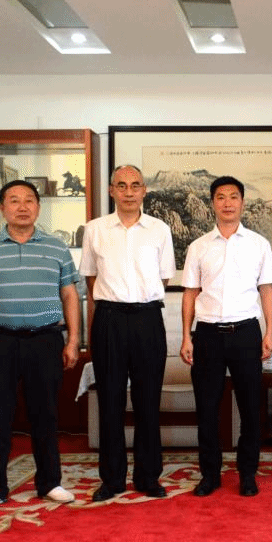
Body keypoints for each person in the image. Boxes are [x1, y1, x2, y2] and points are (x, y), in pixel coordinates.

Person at [0, 179, 81, 512]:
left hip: (45, 339)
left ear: (38, 208)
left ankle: (50, 482)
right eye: (14, 200)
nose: (23, 206)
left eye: (29, 200)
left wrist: (73, 339)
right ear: (2, 208)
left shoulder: (56, 247)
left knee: (46, 414)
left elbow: (70, 295)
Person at [79, 165, 175, 501]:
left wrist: (138, 301)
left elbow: (164, 277)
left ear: (144, 190)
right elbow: (91, 277)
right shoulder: (95, 229)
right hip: (110, 320)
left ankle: (148, 477)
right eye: (121, 185)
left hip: (148, 319)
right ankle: (112, 479)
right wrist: (115, 303)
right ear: (112, 191)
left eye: (135, 185)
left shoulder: (159, 229)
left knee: (148, 401)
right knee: (110, 401)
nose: (129, 192)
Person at [180, 176, 272, 497]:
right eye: (220, 197)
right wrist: (186, 337)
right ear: (212, 203)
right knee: (207, 409)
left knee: (250, 408)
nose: (227, 203)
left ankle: (247, 473)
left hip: (246, 332)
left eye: (233, 196)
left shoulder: (258, 244)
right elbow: (190, 293)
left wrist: (269, 332)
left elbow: (266, 290)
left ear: (242, 202)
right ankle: (210, 475)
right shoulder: (199, 246)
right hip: (207, 334)